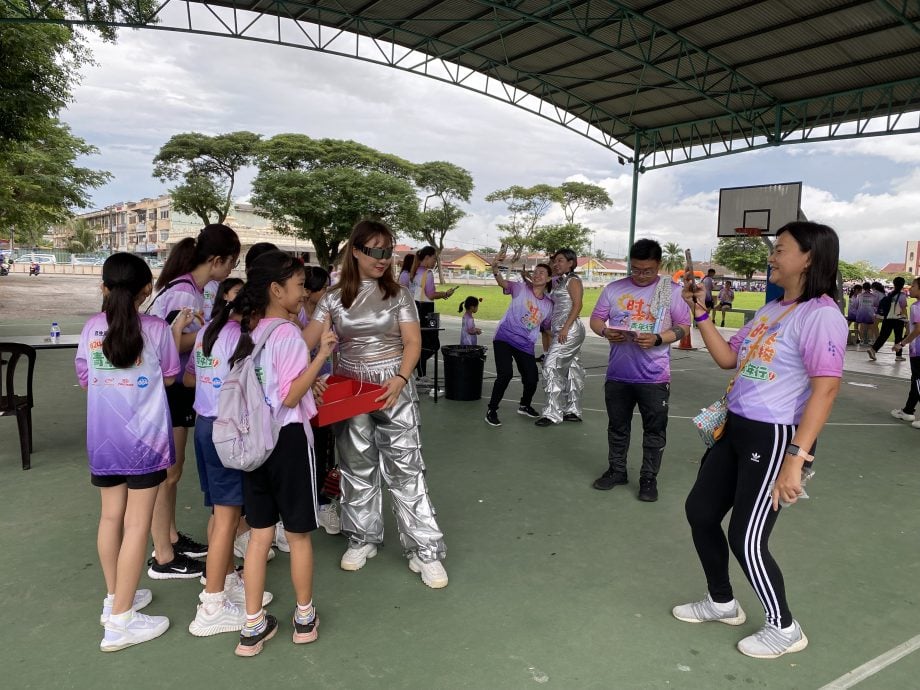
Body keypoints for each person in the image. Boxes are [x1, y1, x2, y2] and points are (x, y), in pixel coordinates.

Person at [673, 221, 847, 660]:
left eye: (780, 249)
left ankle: (784, 627)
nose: (772, 257)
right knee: (700, 511)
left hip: (775, 437)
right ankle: (721, 602)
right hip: (736, 427)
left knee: (747, 538)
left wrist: (797, 457)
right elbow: (729, 359)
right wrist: (700, 313)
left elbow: (825, 389)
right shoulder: (771, 312)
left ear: (809, 257)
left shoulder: (822, 315)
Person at [304, 220, 449, 589]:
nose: (384, 259)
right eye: (376, 251)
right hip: (347, 389)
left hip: (393, 389)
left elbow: (413, 343)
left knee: (407, 469)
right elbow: (305, 342)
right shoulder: (333, 298)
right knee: (356, 466)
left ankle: (425, 549)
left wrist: (400, 379)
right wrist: (315, 375)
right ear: (355, 251)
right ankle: (362, 537)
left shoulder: (399, 294)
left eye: (389, 251)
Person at [75, 253, 189, 651]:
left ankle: (115, 598)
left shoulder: (91, 327)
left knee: (110, 518)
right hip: (145, 442)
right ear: (147, 289)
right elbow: (172, 376)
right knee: (137, 526)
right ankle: (121, 621)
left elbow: (87, 380)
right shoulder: (157, 329)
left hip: (103, 441)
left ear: (104, 288)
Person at [230, 250, 337, 657]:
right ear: (276, 289)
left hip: (253, 442)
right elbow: (291, 395)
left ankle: (253, 626)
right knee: (298, 535)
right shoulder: (289, 333)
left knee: (259, 536)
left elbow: (271, 388)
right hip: (288, 443)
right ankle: (304, 618)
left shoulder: (250, 331)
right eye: (297, 286)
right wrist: (323, 355)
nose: (303, 292)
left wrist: (308, 381)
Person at [146, 223, 240, 580]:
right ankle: (164, 555)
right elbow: (165, 343)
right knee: (168, 473)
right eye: (230, 263)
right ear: (215, 260)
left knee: (174, 470)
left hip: (179, 386)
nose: (231, 270)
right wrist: (206, 334)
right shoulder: (185, 294)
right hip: (169, 387)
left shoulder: (187, 288)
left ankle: (169, 537)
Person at [184, 277, 276, 637]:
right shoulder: (244, 339)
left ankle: (222, 578)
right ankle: (212, 605)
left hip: (205, 426)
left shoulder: (208, 331)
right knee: (227, 519)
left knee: (221, 512)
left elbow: (191, 379)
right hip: (229, 432)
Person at [589, 239, 691, 502]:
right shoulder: (614, 289)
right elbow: (596, 319)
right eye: (635, 269)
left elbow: (683, 326)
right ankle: (617, 470)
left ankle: (648, 478)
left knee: (654, 430)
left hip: (654, 376)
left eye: (648, 270)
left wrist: (658, 339)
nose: (642, 275)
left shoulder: (671, 291)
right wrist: (606, 331)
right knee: (617, 426)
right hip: (618, 373)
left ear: (659, 265)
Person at [484, 259, 554, 427]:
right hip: (504, 338)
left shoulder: (549, 305)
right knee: (505, 373)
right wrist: (495, 269)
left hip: (525, 344)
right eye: (535, 272)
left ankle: (524, 405)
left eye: (542, 273)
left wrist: (565, 334)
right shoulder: (520, 288)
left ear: (549, 279)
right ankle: (491, 410)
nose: (537, 275)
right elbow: (502, 282)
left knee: (531, 378)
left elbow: (546, 328)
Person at [535, 248, 586, 427]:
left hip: (569, 330)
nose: (556, 264)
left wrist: (565, 328)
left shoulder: (573, 280)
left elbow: (578, 305)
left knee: (550, 366)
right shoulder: (560, 280)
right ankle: (573, 409)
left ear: (571, 263)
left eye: (561, 260)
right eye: (555, 261)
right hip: (563, 330)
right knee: (572, 368)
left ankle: (552, 413)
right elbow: (548, 274)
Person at [400, 246, 456, 383]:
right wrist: (445, 294)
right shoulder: (427, 273)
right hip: (426, 311)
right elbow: (430, 295)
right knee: (432, 345)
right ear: (427, 257)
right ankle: (411, 366)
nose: (435, 262)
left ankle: (421, 375)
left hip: (414, 311)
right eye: (434, 258)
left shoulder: (411, 273)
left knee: (419, 343)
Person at [891, 277, 920, 427]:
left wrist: (901, 343)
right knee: (915, 380)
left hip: (918, 350)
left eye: (914, 285)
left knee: (918, 380)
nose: (911, 288)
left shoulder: (916, 306)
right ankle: (908, 411)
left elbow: (918, 329)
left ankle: (908, 411)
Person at [868, 277, 908, 361]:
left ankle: (873, 349)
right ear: (903, 285)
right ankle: (898, 356)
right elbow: (904, 309)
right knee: (898, 337)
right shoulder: (902, 296)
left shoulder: (889, 294)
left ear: (894, 284)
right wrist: (906, 320)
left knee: (883, 336)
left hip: (887, 318)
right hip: (898, 319)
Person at [854, 281, 877, 347]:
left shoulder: (859, 296)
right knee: (870, 327)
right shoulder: (873, 296)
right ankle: (870, 340)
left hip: (861, 313)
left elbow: (856, 305)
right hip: (870, 313)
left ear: (863, 288)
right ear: (870, 288)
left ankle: (862, 340)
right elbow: (875, 305)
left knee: (862, 327)